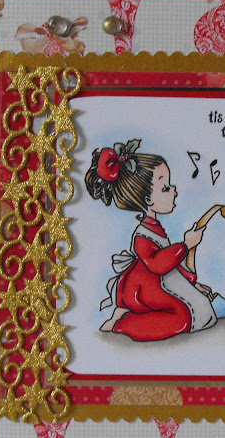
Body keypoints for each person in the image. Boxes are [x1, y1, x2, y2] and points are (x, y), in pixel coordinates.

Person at [85, 139, 216, 341]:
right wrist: (185, 245)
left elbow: (170, 267)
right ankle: (123, 323)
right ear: (147, 200)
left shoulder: (155, 228)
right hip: (143, 290)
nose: (174, 190)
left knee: (200, 309)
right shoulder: (142, 235)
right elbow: (157, 264)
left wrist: (192, 284)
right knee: (183, 319)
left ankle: (123, 314)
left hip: (153, 287)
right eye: (165, 188)